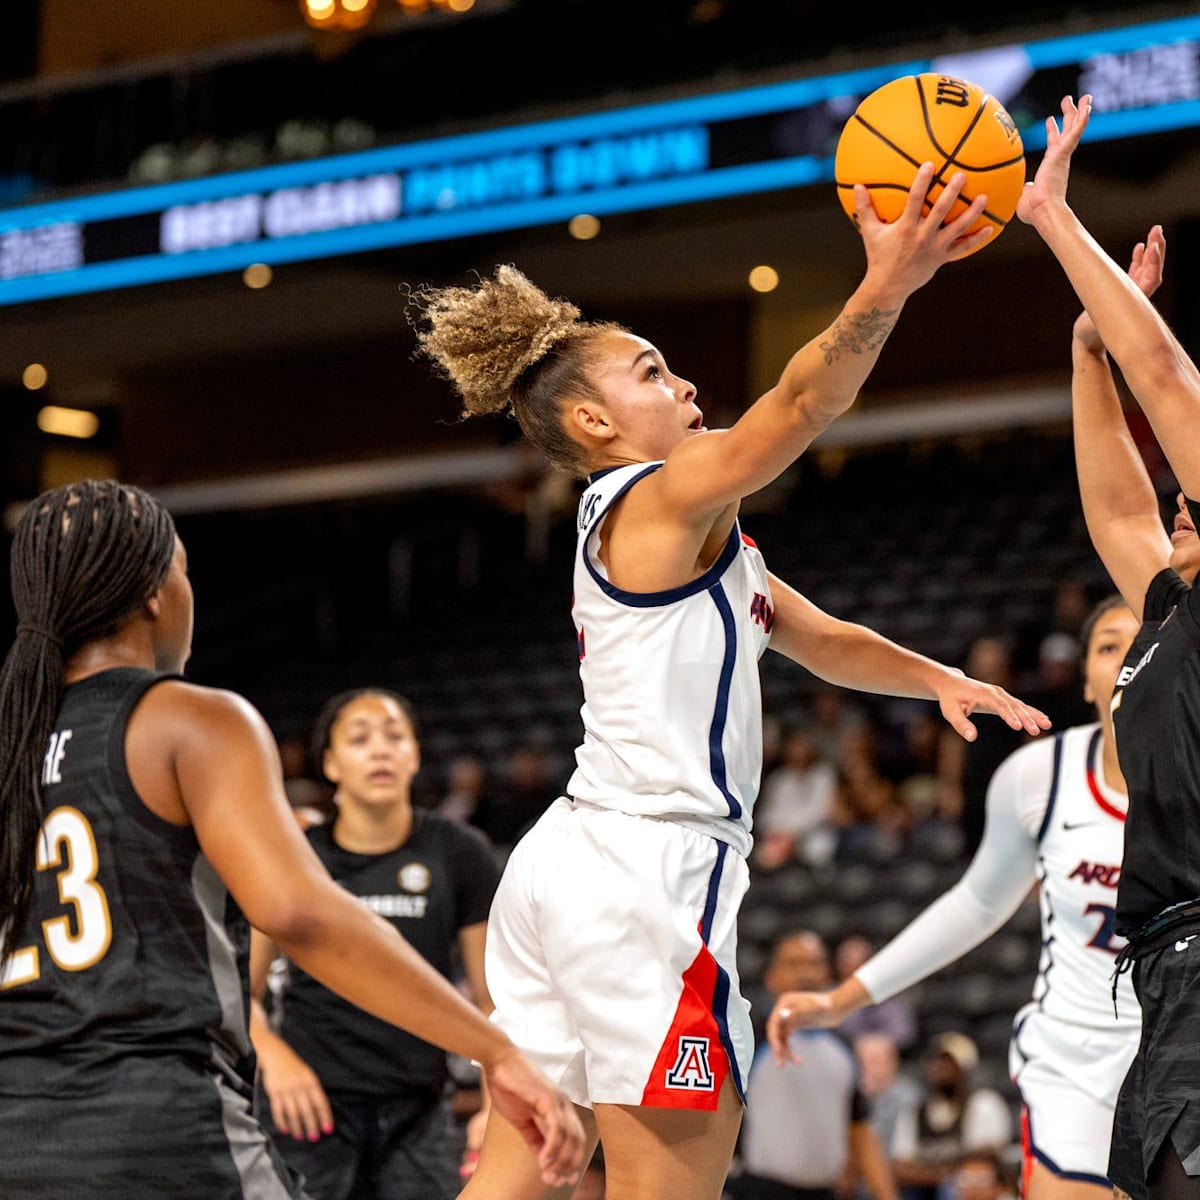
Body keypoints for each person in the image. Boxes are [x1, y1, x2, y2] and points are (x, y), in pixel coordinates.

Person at [408, 162, 1052, 1200]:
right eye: (654, 373)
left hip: (569, 863)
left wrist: (939, 679)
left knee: (515, 1178)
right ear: (593, 425)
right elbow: (799, 403)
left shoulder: (693, 535)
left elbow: (821, 638)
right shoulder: (656, 499)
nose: (688, 387)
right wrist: (888, 282)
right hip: (645, 870)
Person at [0, 480, 585, 1198]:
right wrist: (495, 1050)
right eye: (183, 571)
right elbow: (298, 914)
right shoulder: (188, 719)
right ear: (154, 592)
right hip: (158, 1129)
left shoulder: (12, 747)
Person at [767, 592, 1143, 1200]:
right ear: (1085, 681)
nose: (1127, 659)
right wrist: (840, 1000)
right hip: (1077, 1058)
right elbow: (975, 905)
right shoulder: (1038, 778)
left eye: (1140, 641)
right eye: (1107, 646)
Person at [1020, 93, 1200, 1200]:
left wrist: (1053, 220)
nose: (1180, 506)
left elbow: (1175, 385)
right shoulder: (1174, 606)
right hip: (1168, 974)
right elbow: (1119, 515)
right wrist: (1089, 352)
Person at [249, 687, 502, 1199]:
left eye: (394, 736)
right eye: (360, 739)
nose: (381, 750)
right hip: (311, 1106)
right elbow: (241, 992)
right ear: (331, 764)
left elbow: (493, 999)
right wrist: (274, 1057)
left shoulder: (459, 852)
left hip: (421, 1110)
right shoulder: (295, 857)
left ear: (414, 755)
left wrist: (496, 1106)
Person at [730, 929, 899, 1200]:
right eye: (795, 964)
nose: (806, 974)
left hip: (826, 1193)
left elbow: (861, 1130)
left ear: (828, 976)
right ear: (771, 977)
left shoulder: (843, 1047)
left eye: (815, 964)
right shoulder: (750, 1040)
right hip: (759, 1190)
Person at [888, 1033, 1013, 1200]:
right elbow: (900, 1166)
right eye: (937, 1064)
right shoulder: (914, 1111)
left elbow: (985, 1158)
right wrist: (941, 1176)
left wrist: (944, 1176)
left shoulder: (983, 1103)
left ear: (966, 1069)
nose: (942, 1070)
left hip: (966, 1189)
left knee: (957, 1186)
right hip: (922, 1192)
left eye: (950, 1065)